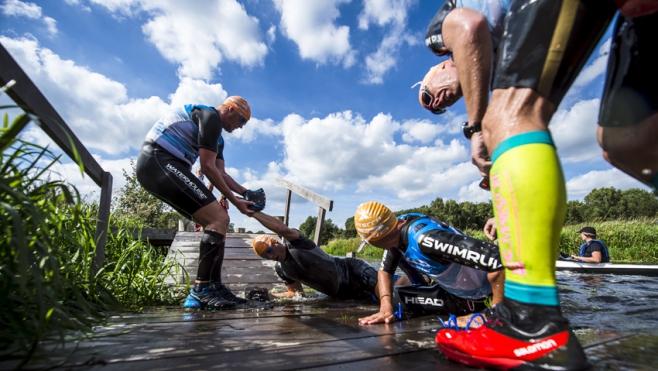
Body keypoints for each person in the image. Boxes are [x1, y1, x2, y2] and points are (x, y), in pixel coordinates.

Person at [426, 1, 658, 370]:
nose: (438, 104)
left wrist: (475, 127)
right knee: (629, 144)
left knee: (511, 112)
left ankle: (530, 325)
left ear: (441, 64)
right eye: (436, 108)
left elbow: (470, 29)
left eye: (430, 98)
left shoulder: (446, 24)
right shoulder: (498, 56)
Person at [136, 96, 260, 310]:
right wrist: (235, 201)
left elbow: (221, 173)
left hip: (173, 165)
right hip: (157, 159)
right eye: (242, 120)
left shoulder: (219, 140)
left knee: (219, 221)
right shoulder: (209, 116)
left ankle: (214, 286)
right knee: (218, 218)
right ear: (230, 109)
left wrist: (245, 192)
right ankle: (201, 289)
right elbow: (208, 168)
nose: (240, 127)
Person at [353, 201, 504, 328]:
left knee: (396, 297)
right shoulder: (395, 230)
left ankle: (496, 313)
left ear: (375, 239)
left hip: (482, 298)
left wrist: (494, 314)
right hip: (454, 291)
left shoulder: (426, 239)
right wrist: (385, 308)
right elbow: (385, 271)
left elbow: (499, 258)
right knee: (391, 296)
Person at [246, 211, 429, 302]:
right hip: (343, 292)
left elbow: (282, 228)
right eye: (265, 257)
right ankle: (426, 277)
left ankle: (429, 285)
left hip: (352, 271)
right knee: (391, 286)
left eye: (269, 251)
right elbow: (296, 294)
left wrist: (252, 213)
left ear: (275, 242)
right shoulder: (282, 269)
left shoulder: (297, 243)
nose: (270, 257)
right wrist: (270, 295)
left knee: (386, 293)